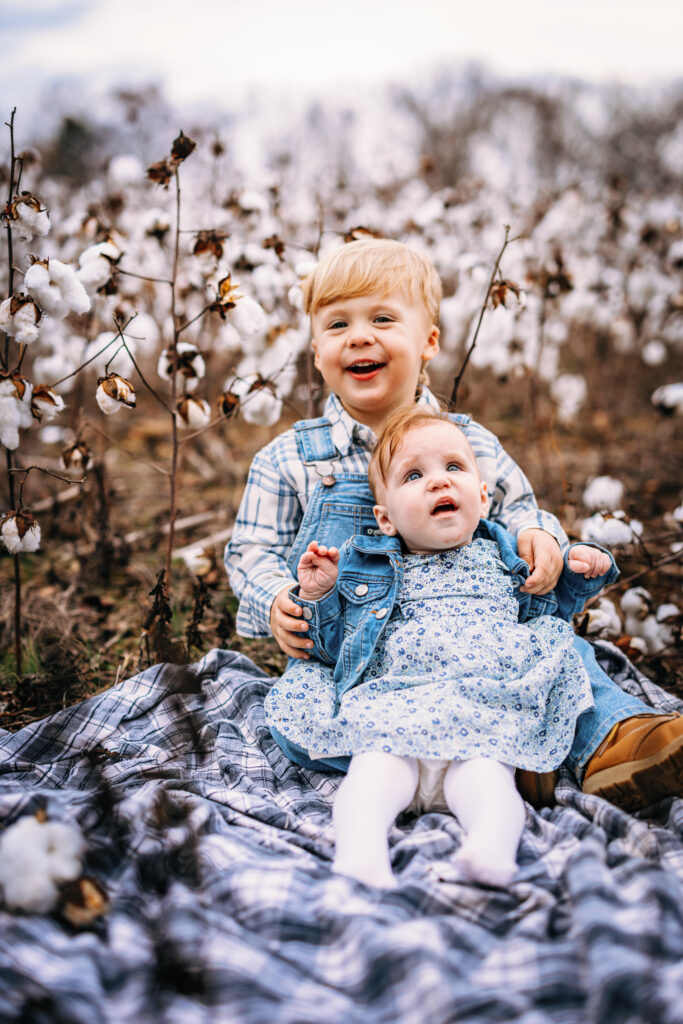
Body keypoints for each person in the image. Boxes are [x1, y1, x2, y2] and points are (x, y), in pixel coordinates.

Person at [225, 237, 683, 813]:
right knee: (318, 713)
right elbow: (250, 550)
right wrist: (275, 600)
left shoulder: (471, 443)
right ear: (317, 352)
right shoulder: (291, 460)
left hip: (479, 647)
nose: (360, 336)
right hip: (363, 665)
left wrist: (536, 535)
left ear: (429, 342)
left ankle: (614, 743)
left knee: (561, 653)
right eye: (338, 324)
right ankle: (494, 759)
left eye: (383, 318)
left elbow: (516, 507)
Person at [270, 407, 616, 887]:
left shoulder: (503, 556)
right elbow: (333, 650)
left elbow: (547, 607)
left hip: (482, 717)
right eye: (414, 475)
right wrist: (319, 596)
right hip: (392, 716)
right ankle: (360, 855)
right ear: (385, 519)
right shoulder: (366, 566)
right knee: (369, 784)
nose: (439, 482)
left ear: (480, 494)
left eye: (454, 467)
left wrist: (578, 569)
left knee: (491, 791)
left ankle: (488, 854)